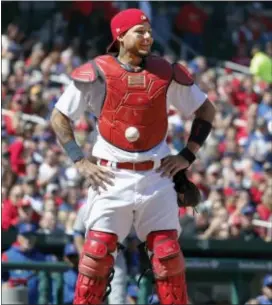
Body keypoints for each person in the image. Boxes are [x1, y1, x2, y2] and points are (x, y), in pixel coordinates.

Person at [50, 8, 215, 305]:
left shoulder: (165, 71)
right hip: (110, 177)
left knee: (168, 257)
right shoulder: (97, 71)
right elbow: (59, 116)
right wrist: (79, 160)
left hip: (158, 175)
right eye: (140, 32)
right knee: (96, 257)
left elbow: (206, 110)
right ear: (120, 35)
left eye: (149, 31)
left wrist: (187, 155)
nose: (148, 36)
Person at [73, 203, 128, 304]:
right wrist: (84, 257)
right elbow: (77, 233)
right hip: (92, 259)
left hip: (116, 260)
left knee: (117, 300)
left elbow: (133, 239)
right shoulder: (87, 206)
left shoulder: (126, 205)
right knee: (87, 297)